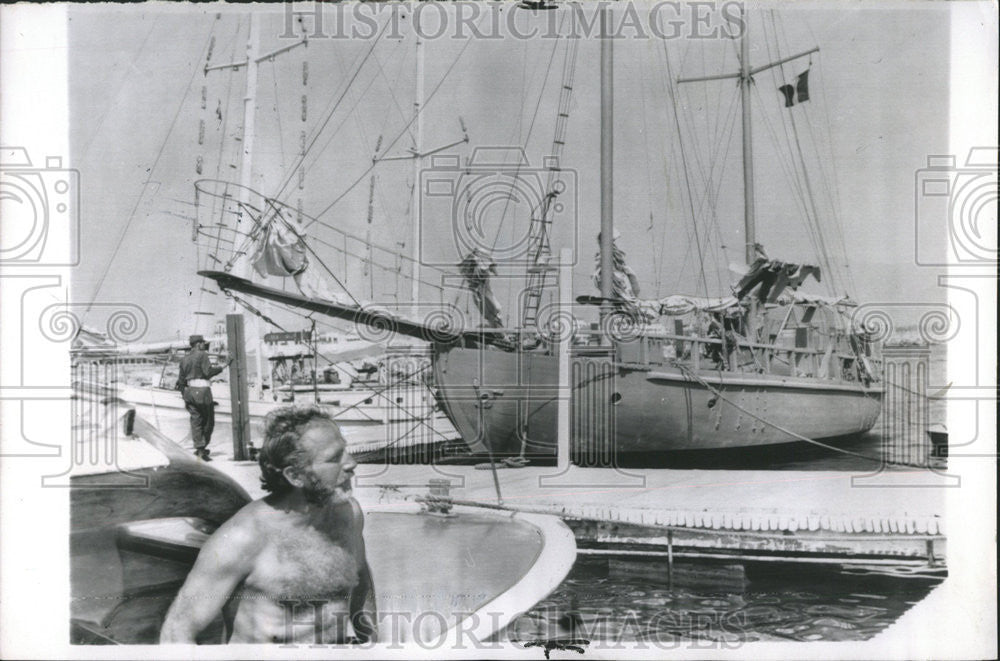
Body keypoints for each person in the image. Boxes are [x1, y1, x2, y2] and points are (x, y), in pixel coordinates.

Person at [160, 405, 377, 645]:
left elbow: (360, 583)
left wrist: (374, 644)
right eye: (334, 458)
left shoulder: (348, 514)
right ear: (295, 476)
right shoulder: (243, 537)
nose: (352, 463)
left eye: (345, 451)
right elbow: (177, 630)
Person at [176, 334, 231, 461]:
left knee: (196, 421)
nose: (204, 345)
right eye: (202, 343)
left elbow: (181, 381)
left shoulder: (184, 359)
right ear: (198, 344)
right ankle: (202, 448)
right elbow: (208, 372)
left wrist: (184, 395)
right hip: (202, 392)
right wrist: (224, 366)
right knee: (208, 421)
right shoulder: (202, 355)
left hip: (189, 392)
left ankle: (199, 448)